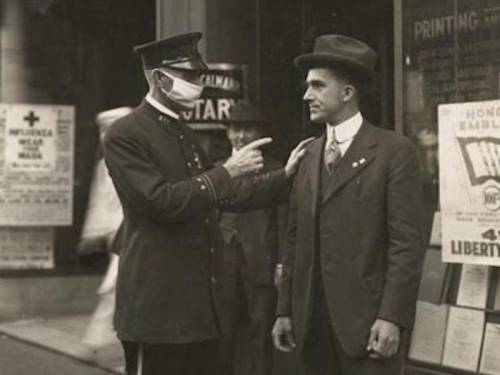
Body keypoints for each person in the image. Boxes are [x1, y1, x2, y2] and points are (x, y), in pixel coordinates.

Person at [103, 32, 311, 375]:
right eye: (190, 76)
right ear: (159, 78)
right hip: (157, 313)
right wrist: (227, 171)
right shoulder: (126, 134)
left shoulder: (182, 132)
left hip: (198, 312)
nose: (198, 84)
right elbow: (162, 201)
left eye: (200, 76)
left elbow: (223, 197)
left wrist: (284, 177)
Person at [272, 34, 425, 375]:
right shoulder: (308, 154)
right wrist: (284, 310)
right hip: (312, 325)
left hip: (368, 326)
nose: (306, 95)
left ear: (347, 93)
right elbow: (293, 241)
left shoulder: (393, 152)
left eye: (317, 86)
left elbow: (406, 246)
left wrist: (391, 317)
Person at [218, 101, 287, 375]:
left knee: (260, 331)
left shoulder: (276, 168)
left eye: (248, 129)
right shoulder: (217, 168)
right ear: (228, 133)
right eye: (236, 129)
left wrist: (281, 262)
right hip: (222, 262)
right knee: (223, 332)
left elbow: (283, 220)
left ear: (259, 133)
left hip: (260, 260)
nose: (242, 136)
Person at [80, 107, 132, 350]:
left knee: (117, 284)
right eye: (103, 130)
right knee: (115, 284)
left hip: (130, 231)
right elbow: (98, 199)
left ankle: (99, 339)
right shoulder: (105, 165)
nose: (104, 136)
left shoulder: (130, 160)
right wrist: (93, 231)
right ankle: (97, 339)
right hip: (118, 233)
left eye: (109, 130)